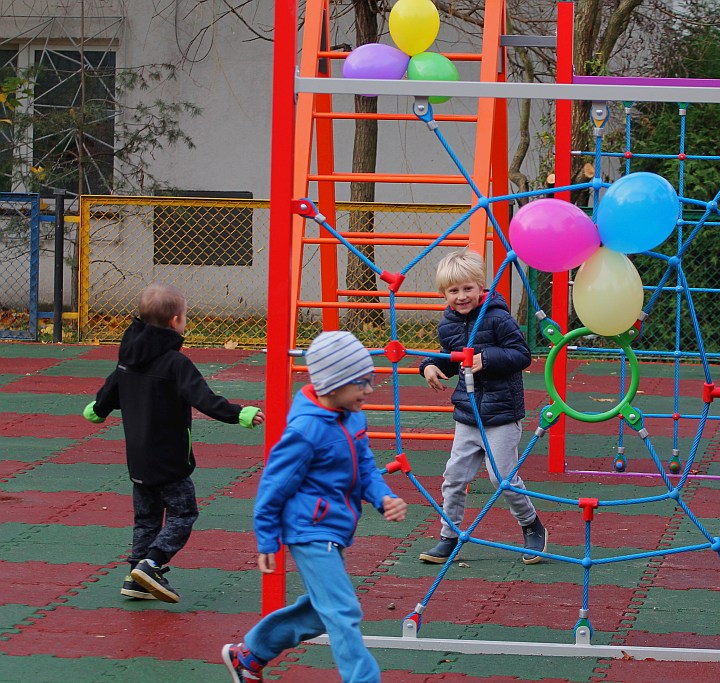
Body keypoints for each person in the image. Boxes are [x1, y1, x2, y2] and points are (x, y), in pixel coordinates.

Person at [221, 330, 407, 683]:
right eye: (361, 384)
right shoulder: (306, 430)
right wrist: (267, 539)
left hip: (334, 526)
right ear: (333, 386)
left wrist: (382, 498)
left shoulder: (352, 416)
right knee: (342, 609)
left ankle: (249, 656)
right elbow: (273, 485)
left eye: (369, 380)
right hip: (309, 530)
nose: (369, 390)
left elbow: (365, 465)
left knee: (322, 612)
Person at [83, 282, 264, 603]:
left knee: (147, 518)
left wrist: (97, 410)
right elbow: (205, 399)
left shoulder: (128, 358)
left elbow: (111, 390)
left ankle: (135, 575)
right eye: (185, 317)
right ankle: (152, 564)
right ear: (174, 322)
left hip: (138, 459)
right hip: (170, 461)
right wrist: (241, 414)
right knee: (183, 513)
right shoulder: (175, 364)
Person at [418, 248, 547, 564]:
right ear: (443, 294)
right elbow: (450, 358)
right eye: (453, 291)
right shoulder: (448, 324)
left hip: (501, 415)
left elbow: (522, 355)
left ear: (480, 287)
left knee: (501, 478)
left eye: (467, 289)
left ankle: (531, 524)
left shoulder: (498, 317)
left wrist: (486, 359)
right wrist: (429, 366)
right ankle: (449, 537)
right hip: (468, 414)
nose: (461, 297)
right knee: (454, 477)